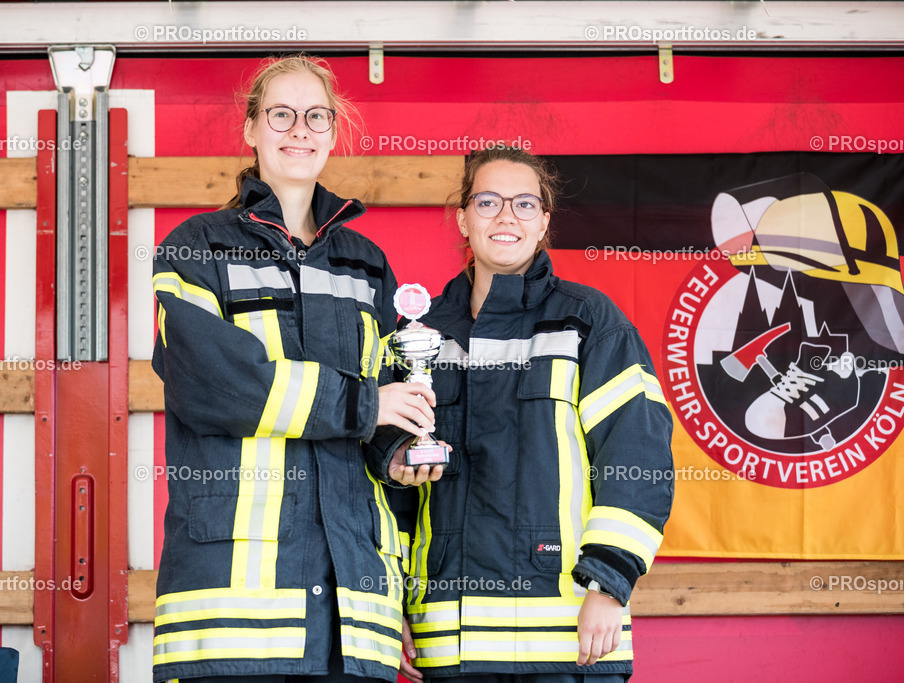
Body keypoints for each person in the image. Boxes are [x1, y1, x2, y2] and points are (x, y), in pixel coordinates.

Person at [151, 55, 439, 683]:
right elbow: (211, 381)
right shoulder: (195, 248)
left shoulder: (367, 265)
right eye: (281, 114)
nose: (299, 129)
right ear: (251, 128)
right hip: (233, 612)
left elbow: (392, 397)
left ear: (334, 132)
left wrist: (394, 450)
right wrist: (366, 408)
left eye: (316, 116)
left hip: (353, 607)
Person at [369, 147, 674, 683]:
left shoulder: (590, 323)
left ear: (544, 223)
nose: (506, 216)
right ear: (463, 218)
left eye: (524, 203)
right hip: (446, 639)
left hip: (570, 639)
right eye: (488, 201)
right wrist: (392, 603)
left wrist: (608, 584)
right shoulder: (418, 336)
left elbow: (638, 459)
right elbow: (383, 489)